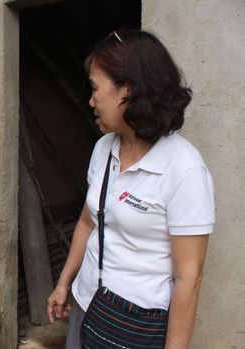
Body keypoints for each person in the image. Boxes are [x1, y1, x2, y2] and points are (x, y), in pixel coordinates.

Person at [47, 29, 214, 349]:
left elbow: (189, 280)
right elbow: (87, 221)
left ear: (130, 90)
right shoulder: (103, 148)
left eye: (96, 89)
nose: (91, 100)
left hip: (137, 325)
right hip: (87, 305)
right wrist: (64, 283)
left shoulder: (184, 170)